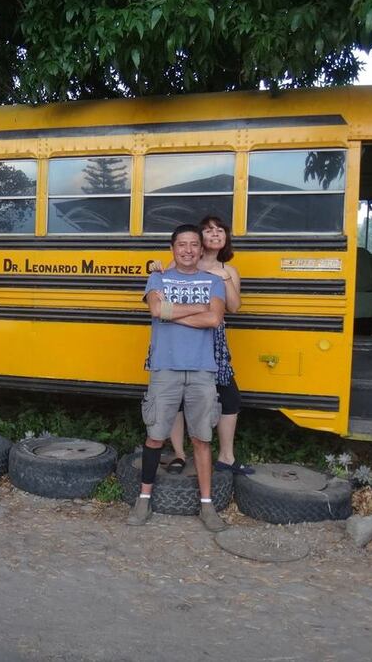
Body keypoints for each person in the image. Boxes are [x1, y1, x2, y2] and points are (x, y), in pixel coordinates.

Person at [128, 224, 227, 531]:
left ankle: (207, 506)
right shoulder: (158, 277)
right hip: (165, 368)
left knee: (201, 438)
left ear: (201, 249)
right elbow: (157, 311)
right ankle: (143, 498)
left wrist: (176, 312)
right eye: (181, 244)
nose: (187, 249)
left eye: (193, 244)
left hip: (202, 369)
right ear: (172, 249)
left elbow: (215, 318)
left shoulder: (214, 281)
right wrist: (196, 307)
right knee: (155, 435)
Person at [149, 216, 253, 477]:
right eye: (208, 230)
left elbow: (233, 307)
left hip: (212, 338)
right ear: (199, 239)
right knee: (177, 401)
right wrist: (152, 265)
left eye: (220, 230)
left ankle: (226, 457)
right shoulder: (184, 261)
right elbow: (161, 281)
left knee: (229, 396)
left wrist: (223, 278)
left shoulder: (229, 271)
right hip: (178, 336)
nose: (215, 234)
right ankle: (180, 454)